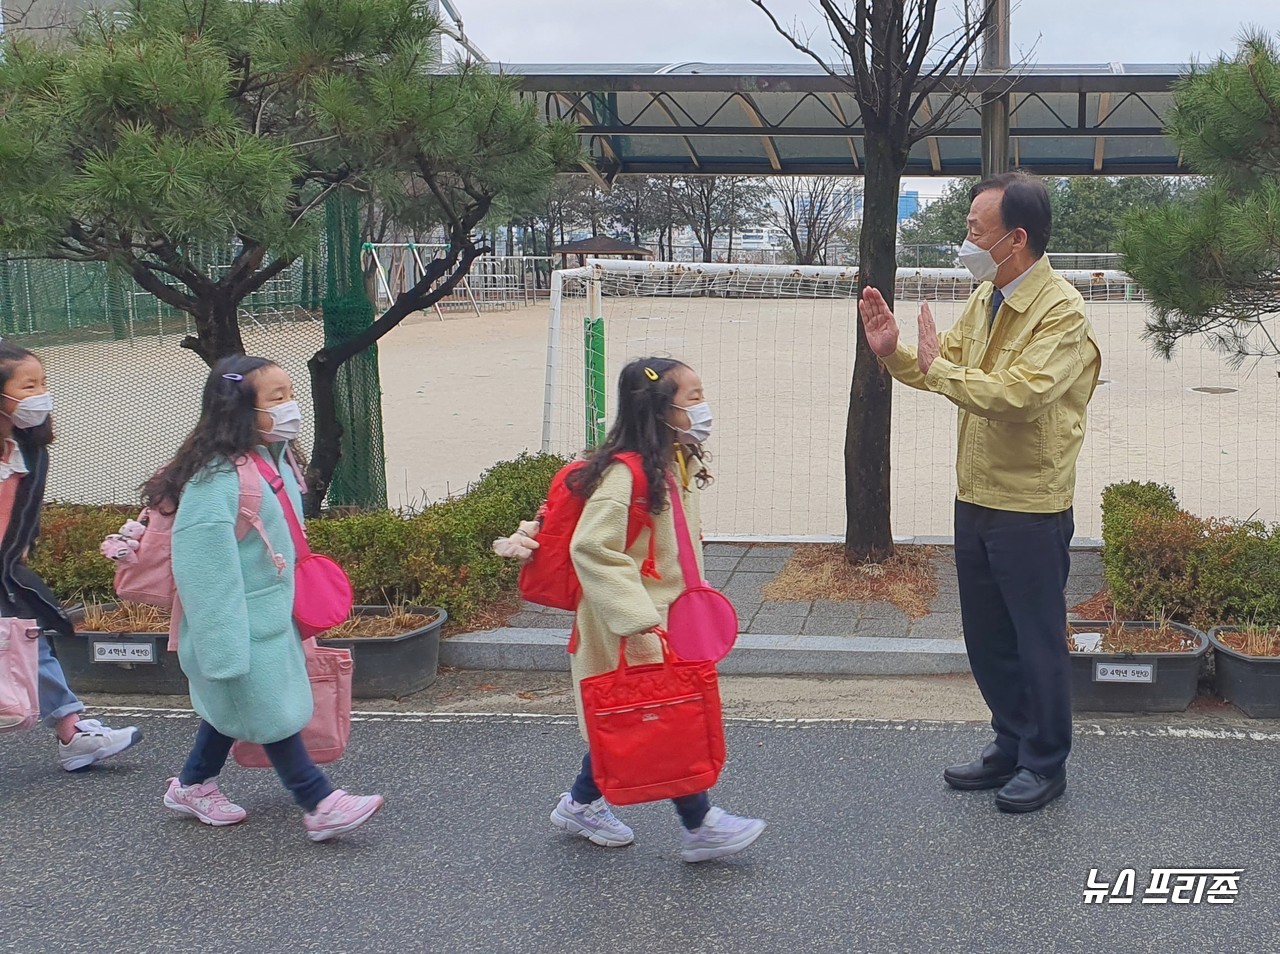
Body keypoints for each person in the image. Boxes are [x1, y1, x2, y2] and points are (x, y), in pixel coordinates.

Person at [858, 171, 1101, 814]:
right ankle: (1010, 742)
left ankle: (1045, 760)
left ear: (1015, 238)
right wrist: (894, 354)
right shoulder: (987, 295)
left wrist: (940, 370)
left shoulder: (1062, 312)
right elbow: (948, 369)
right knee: (987, 633)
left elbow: (1019, 396)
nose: (965, 239)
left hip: (1030, 501)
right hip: (978, 491)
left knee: (1035, 635)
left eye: (975, 230)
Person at [497, 356, 765, 862]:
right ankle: (700, 822)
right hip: (630, 623)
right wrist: (638, 617)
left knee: (632, 713)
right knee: (667, 719)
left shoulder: (673, 462)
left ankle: (580, 803)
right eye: (692, 398)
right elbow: (591, 548)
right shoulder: (630, 475)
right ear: (660, 409)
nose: (703, 408)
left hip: (661, 619)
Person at [149, 356, 383, 841]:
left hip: (270, 616)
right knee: (269, 710)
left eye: (289, 394)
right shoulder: (216, 479)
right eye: (276, 398)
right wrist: (222, 651)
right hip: (236, 625)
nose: (290, 406)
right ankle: (318, 801)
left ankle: (192, 783)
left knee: (236, 709)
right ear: (240, 410)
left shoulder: (271, 458)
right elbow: (203, 572)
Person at [0, 342, 142, 771]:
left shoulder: (29, 449)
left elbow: (23, 512)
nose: (42, 393)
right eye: (29, 385)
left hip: (5, 572)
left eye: (43, 382)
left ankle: (72, 731)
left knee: (30, 640)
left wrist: (23, 544)